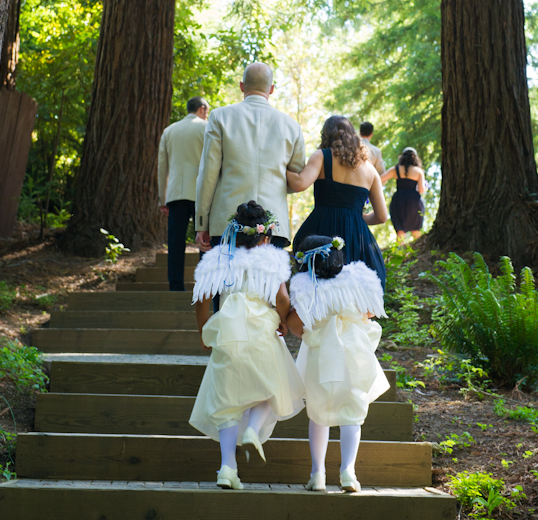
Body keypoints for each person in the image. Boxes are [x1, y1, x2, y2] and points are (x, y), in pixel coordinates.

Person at [189, 201, 305, 490]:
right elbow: (281, 300)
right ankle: (253, 429)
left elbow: (203, 298)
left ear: (234, 234)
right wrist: (282, 320)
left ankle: (227, 467)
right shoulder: (273, 259)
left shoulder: (218, 258)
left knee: (226, 399)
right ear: (266, 238)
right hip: (260, 327)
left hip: (228, 326)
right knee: (272, 384)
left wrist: (204, 331)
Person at [287, 234, 388, 493]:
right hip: (353, 353)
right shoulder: (357, 281)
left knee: (318, 413)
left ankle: (317, 473)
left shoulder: (307, 288)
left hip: (321, 356)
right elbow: (372, 311)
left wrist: (315, 328)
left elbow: (295, 326)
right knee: (352, 413)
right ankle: (347, 471)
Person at [195, 62, 305, 252]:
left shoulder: (219, 117)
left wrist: (202, 223)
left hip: (227, 222)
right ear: (271, 89)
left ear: (241, 86)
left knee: (225, 281)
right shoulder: (291, 126)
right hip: (273, 225)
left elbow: (208, 175)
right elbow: (297, 177)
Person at [288, 115, 387, 290]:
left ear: (326, 135)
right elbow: (381, 216)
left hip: (322, 228)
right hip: (356, 235)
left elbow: (299, 183)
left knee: (319, 285)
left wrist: (279, 167)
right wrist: (356, 217)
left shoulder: (322, 157)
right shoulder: (370, 170)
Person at [158, 97, 209, 291]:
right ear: (202, 109)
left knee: (175, 240)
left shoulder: (169, 131)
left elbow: (162, 168)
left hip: (176, 193)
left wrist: (163, 199)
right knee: (204, 239)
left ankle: (176, 285)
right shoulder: (207, 128)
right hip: (201, 193)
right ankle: (204, 284)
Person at [381, 146, 426, 242]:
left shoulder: (395, 169)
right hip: (414, 202)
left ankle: (399, 254)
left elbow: (380, 179)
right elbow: (421, 190)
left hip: (399, 201)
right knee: (416, 231)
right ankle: (416, 254)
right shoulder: (419, 171)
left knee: (400, 232)